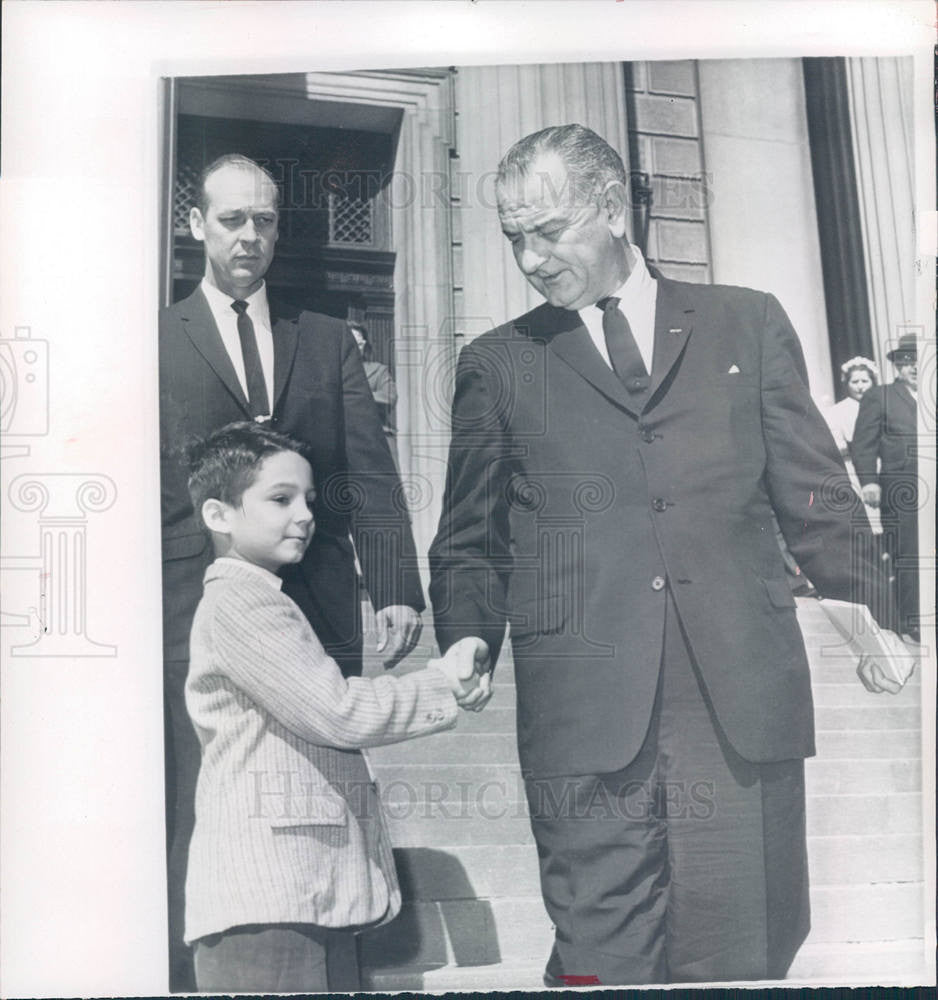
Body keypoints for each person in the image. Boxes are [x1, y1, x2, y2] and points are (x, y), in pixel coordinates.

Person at [428, 124, 907, 987]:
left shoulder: (745, 322)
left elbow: (815, 493)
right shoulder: (499, 364)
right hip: (585, 715)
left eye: (548, 231)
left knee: (745, 952)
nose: (529, 259)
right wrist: (467, 633)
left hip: (737, 710)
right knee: (599, 960)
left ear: (612, 209)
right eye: (512, 239)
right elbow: (470, 537)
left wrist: (885, 611)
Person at [159, 153, 424, 989]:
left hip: (318, 607)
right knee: (210, 801)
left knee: (323, 787)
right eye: (232, 220)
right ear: (197, 225)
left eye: (265, 221)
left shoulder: (322, 339)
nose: (249, 237)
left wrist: (394, 583)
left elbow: (367, 472)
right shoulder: (156, 341)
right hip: (193, 613)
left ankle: (334, 953)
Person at [182, 421, 481, 993]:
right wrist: (444, 681)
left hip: (302, 895)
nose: (304, 514)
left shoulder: (262, 598)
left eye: (309, 499)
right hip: (269, 905)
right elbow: (338, 711)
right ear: (219, 515)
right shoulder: (242, 602)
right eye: (279, 498)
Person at [851, 334, 920, 640]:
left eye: (919, 360)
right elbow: (864, 443)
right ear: (897, 366)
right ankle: (912, 619)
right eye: (906, 362)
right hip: (902, 485)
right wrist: (868, 481)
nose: (914, 367)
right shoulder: (880, 396)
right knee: (910, 551)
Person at [823, 356, 882, 531]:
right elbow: (834, 444)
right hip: (853, 469)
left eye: (865, 380)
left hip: (881, 464)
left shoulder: (881, 405)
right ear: (847, 383)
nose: (860, 386)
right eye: (855, 381)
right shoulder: (838, 411)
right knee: (866, 517)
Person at [348, 320, 400, 470]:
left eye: (359, 344)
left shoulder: (378, 370)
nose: (356, 348)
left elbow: (390, 397)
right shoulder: (331, 373)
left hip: (377, 435)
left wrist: (356, 394)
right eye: (351, 343)